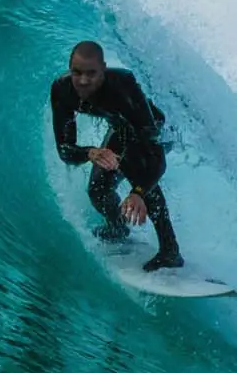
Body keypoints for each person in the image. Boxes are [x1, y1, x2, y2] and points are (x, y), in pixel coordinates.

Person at [50, 41, 183, 271]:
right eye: (77, 72)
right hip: (121, 129)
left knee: (138, 171)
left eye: (91, 73)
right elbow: (65, 150)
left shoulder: (123, 86)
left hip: (155, 129)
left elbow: (154, 156)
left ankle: (170, 251)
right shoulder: (62, 90)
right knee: (98, 189)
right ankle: (118, 228)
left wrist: (138, 192)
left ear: (103, 68)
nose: (83, 81)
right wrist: (90, 152)